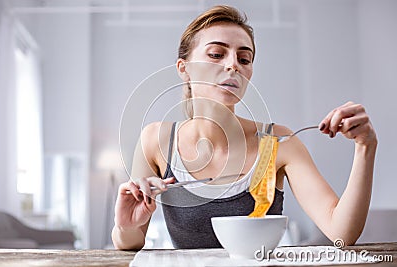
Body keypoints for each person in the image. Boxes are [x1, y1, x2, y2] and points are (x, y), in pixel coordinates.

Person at [112, 5, 377, 250]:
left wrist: (365, 147)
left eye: (244, 59)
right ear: (184, 68)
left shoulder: (280, 142)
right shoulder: (155, 140)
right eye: (216, 54)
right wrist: (126, 226)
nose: (232, 65)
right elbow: (131, 242)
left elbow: (342, 232)